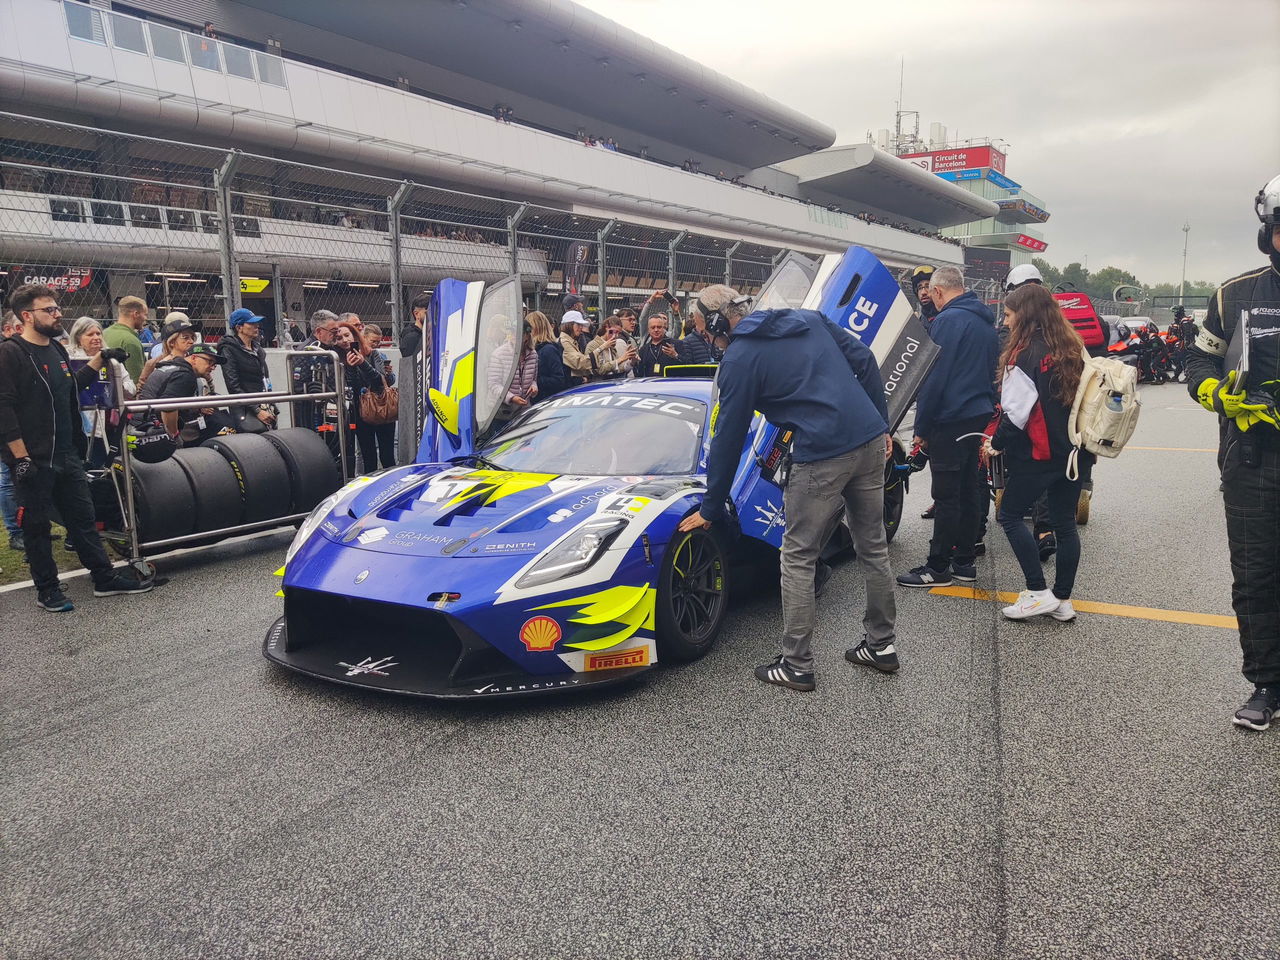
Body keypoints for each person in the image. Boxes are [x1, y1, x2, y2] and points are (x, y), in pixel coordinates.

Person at [677, 284, 896, 691]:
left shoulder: (740, 359)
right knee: (873, 547)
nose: (705, 335)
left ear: (717, 321)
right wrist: (881, 423)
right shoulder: (808, 319)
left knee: (797, 556)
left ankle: (797, 664)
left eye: (703, 327)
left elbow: (728, 435)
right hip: (868, 442)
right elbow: (864, 360)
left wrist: (711, 507)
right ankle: (881, 646)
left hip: (822, 454)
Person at [1184, 174, 1280, 732]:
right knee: (1256, 576)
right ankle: (1267, 683)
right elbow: (1199, 362)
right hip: (1252, 459)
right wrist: (1214, 393)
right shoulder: (1233, 295)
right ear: (1267, 233)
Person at [0, 284, 153, 611]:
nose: (58, 314)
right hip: (32, 460)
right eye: (49, 310)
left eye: (57, 308)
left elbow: (72, 386)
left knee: (83, 519)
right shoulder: (10, 353)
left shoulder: (56, 350)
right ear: (27, 315)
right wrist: (20, 457)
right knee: (37, 527)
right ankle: (48, 590)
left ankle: (103, 578)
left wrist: (101, 358)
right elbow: (4, 408)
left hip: (67, 454)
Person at [983, 284, 1088, 621]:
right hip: (1075, 451)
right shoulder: (1071, 346)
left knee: (1010, 515)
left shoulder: (1023, 355)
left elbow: (1015, 413)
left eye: (1010, 314)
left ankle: (1038, 591)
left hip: (1038, 453)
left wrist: (995, 443)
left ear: (1024, 316)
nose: (1006, 321)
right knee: (1065, 525)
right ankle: (1063, 600)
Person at [898, 265, 999, 588]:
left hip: (950, 418)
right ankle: (964, 561)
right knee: (969, 488)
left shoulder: (946, 322)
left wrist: (922, 428)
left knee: (945, 493)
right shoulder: (985, 322)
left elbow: (933, 380)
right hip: (977, 415)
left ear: (939, 292)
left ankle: (938, 566)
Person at [68, 316, 135, 468]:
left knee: (114, 465)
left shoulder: (112, 359)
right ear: (78, 338)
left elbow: (131, 389)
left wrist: (115, 382)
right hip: (84, 426)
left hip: (111, 424)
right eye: (90, 334)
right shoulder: (70, 358)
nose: (96, 338)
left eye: (98, 334)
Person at [137, 342, 233, 445]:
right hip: (150, 432)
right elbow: (168, 407)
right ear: (194, 358)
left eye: (214, 364)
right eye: (210, 361)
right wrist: (174, 435)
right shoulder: (185, 376)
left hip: (141, 424)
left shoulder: (174, 366)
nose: (213, 367)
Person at [333, 320, 389, 474]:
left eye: (347, 335)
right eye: (339, 338)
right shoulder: (335, 359)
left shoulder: (373, 353)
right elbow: (353, 389)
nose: (345, 340)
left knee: (387, 456)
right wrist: (351, 369)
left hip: (381, 408)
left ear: (355, 335)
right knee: (367, 456)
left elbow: (380, 380)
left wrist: (363, 363)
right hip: (359, 413)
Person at [218, 307, 276, 433]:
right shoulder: (228, 349)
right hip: (247, 411)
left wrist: (271, 405)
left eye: (257, 323)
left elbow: (264, 379)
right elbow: (233, 386)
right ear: (239, 328)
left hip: (265, 406)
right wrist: (257, 410)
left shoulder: (257, 349)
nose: (257, 326)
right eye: (252, 323)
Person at [1, 309, 24, 554]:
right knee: (7, 479)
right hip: (7, 426)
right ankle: (15, 532)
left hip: (24, 423)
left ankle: (29, 525)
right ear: (7, 329)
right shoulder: (5, 352)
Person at [488, 320, 538, 430]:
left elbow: (534, 379)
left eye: (519, 332)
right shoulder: (499, 354)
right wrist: (511, 397)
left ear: (527, 335)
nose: (515, 336)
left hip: (523, 409)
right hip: (501, 411)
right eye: (513, 332)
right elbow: (493, 384)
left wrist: (534, 387)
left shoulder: (533, 354)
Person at [361, 324, 397, 469]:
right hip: (367, 405)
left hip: (384, 405)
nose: (376, 344)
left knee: (387, 453)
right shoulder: (358, 356)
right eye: (373, 341)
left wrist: (388, 374)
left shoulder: (381, 355)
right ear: (363, 338)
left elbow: (390, 380)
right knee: (367, 454)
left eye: (378, 341)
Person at [138, 316, 197, 392]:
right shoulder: (153, 364)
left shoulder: (195, 361)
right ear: (172, 342)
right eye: (186, 338)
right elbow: (141, 392)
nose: (191, 341)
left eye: (192, 337)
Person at [102, 295, 149, 382]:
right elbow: (137, 381)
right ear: (136, 314)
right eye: (145, 314)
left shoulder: (104, 334)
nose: (146, 319)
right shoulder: (130, 341)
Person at [529, 311, 569, 400]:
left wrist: (534, 381)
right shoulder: (535, 348)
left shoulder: (548, 350)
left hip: (545, 400)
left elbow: (559, 380)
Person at [558, 311, 594, 385]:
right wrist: (600, 350)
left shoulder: (573, 341)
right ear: (569, 325)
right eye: (578, 324)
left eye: (581, 325)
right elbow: (578, 362)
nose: (581, 327)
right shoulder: (564, 342)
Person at [400, 292, 431, 357]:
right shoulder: (411, 338)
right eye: (428, 312)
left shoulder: (428, 334)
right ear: (416, 314)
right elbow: (410, 365)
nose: (431, 315)